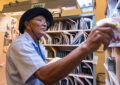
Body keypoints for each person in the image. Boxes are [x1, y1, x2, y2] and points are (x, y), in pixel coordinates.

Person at [6, 7, 117, 85]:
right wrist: (86, 46)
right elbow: (45, 76)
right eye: (40, 20)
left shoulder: (38, 44)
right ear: (27, 24)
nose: (45, 24)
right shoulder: (21, 44)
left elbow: (40, 73)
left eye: (47, 23)